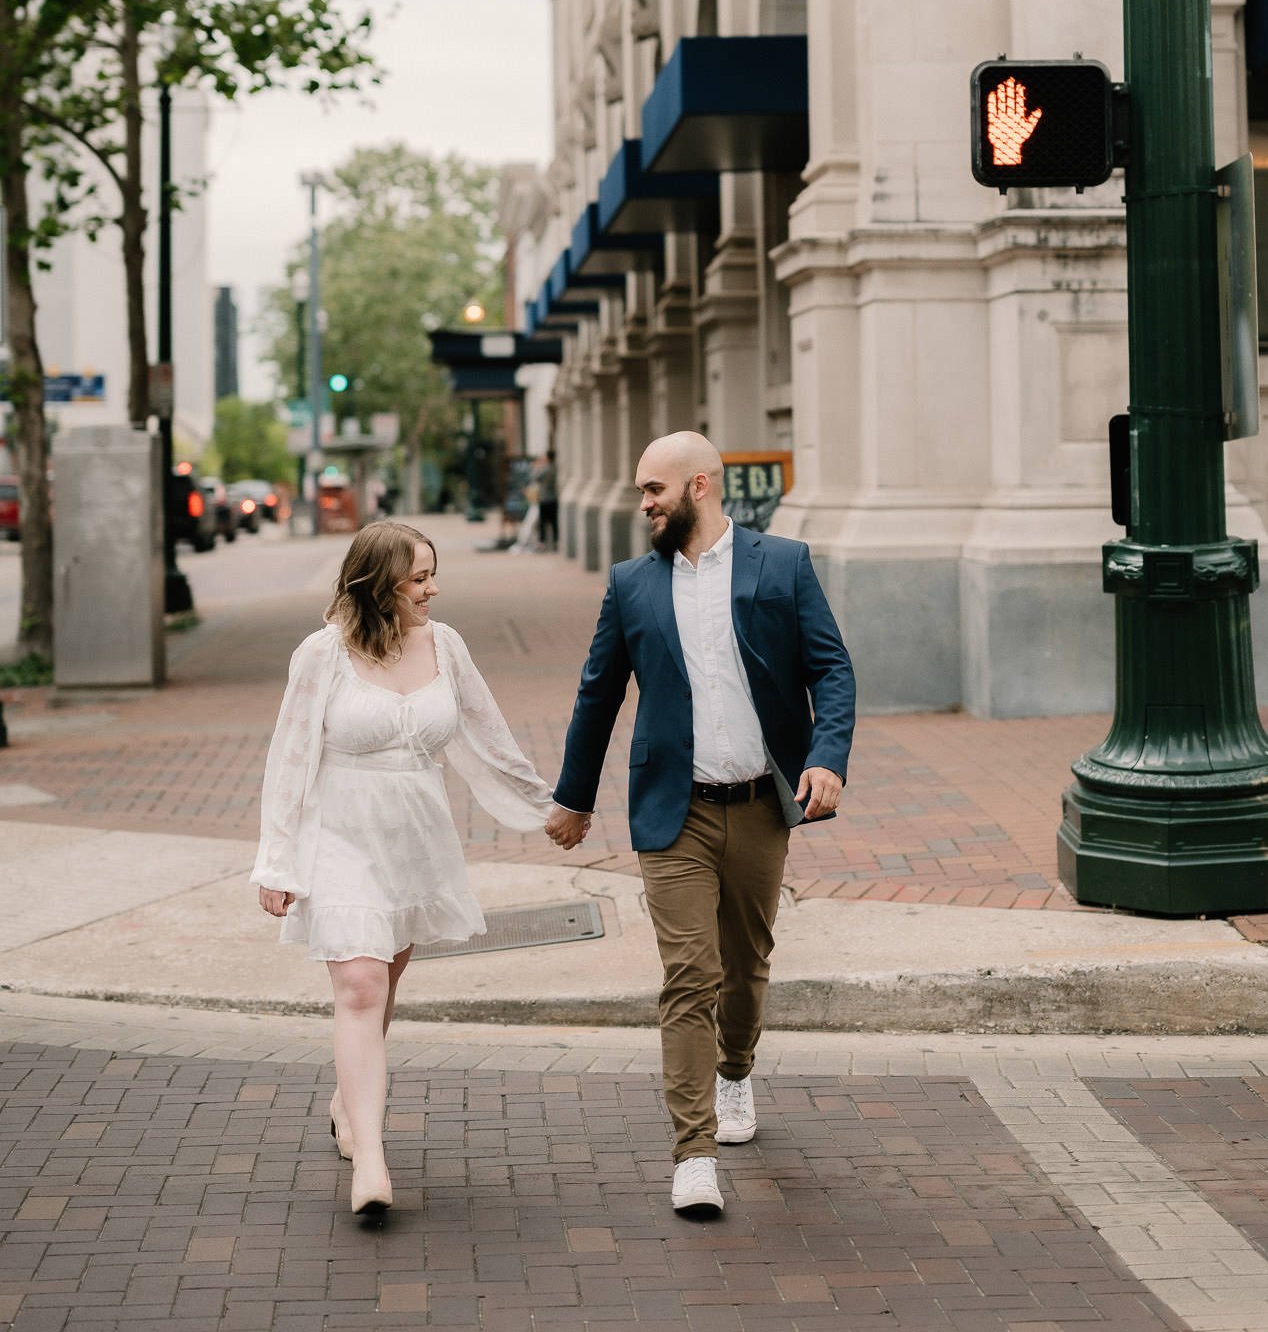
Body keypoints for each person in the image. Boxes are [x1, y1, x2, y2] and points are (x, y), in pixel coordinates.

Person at [544, 431, 855, 1220]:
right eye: (640, 492)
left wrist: (827, 757)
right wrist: (574, 797)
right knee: (690, 978)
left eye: (654, 489)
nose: (644, 503)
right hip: (671, 810)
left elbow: (830, 666)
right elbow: (597, 693)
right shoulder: (630, 584)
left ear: (702, 486)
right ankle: (693, 1153)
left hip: (757, 805)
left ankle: (736, 1072)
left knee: (746, 967)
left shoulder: (781, 564)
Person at [252, 522, 562, 1218]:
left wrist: (550, 808)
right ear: (376, 583)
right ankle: (370, 1156)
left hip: (413, 835)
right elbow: (290, 757)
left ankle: (347, 1103)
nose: (432, 588)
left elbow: (490, 736)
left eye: (432, 574)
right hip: (339, 831)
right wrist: (277, 862)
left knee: (382, 983)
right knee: (360, 984)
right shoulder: (321, 655)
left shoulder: (444, 645)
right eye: (418, 577)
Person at [537, 453, 559, 550]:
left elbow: (536, 477)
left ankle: (542, 542)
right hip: (553, 498)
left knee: (543, 521)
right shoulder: (556, 468)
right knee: (554, 521)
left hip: (545, 498)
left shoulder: (546, 469)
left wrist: (538, 466)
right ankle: (555, 541)